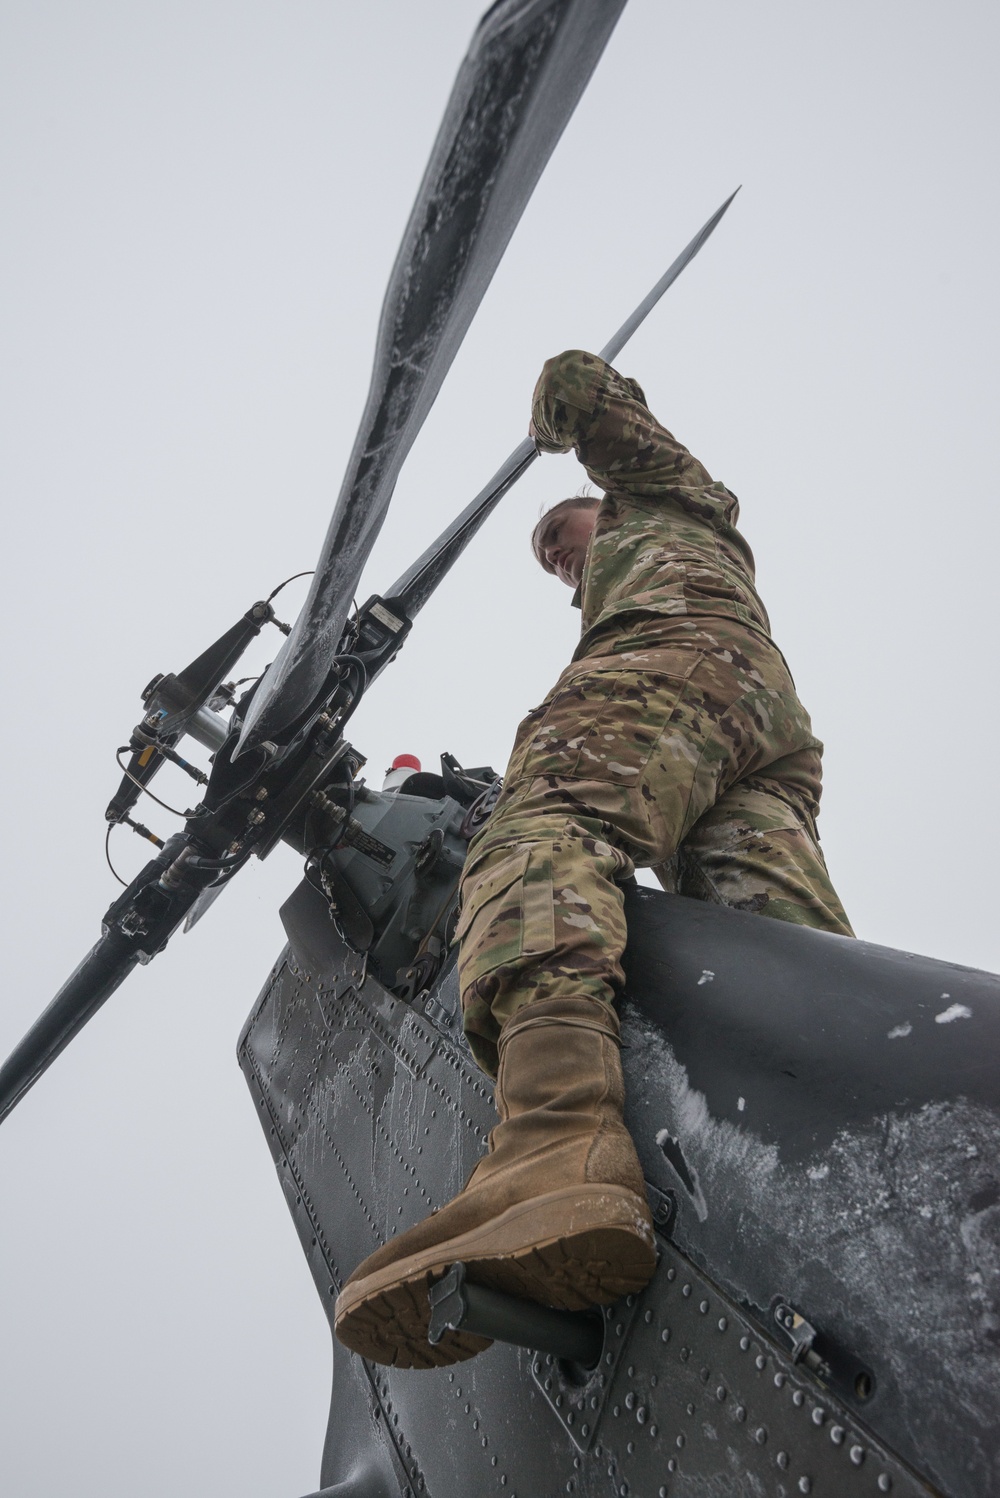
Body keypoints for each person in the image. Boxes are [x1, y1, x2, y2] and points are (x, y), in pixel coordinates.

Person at [335, 348, 854, 1367]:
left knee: (533, 838)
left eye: (559, 536)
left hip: (672, 669)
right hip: (757, 729)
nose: (558, 559)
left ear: (598, 507)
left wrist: (559, 412)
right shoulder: (651, 569)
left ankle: (555, 1146)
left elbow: (586, 384)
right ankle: (852, 1154)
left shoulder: (670, 504)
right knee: (776, 954)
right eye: (549, 562)